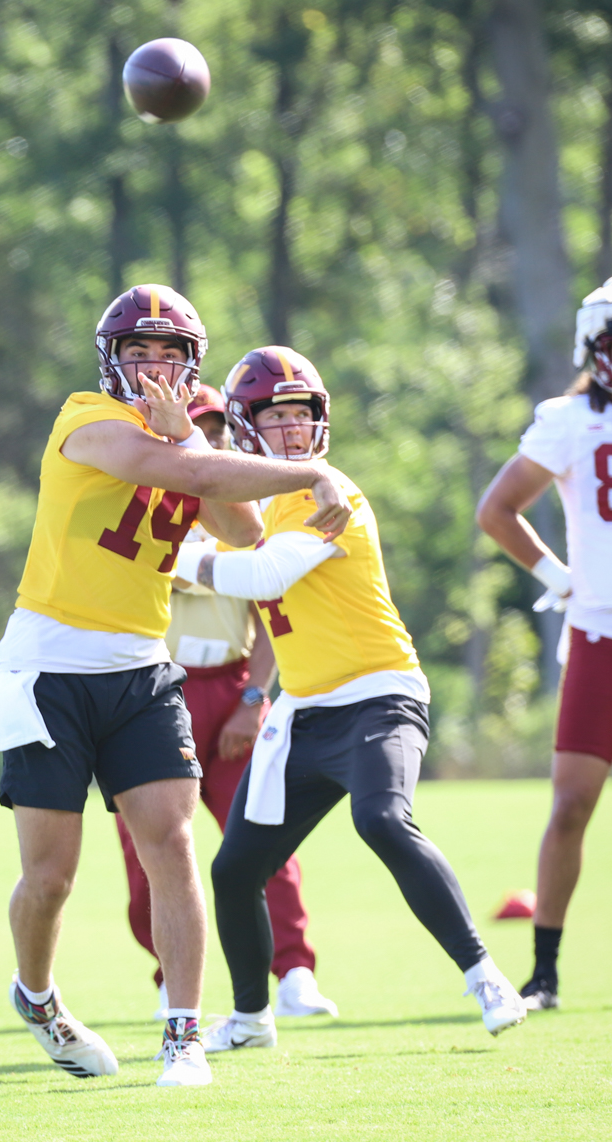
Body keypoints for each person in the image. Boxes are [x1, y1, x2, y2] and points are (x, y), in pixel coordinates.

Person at [0, 284, 352, 1088]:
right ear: (111, 361)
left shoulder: (184, 444)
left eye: (170, 355)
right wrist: (306, 468)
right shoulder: (86, 419)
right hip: (48, 666)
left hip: (142, 670)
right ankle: (37, 996)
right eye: (139, 352)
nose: (154, 368)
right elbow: (163, 466)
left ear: (191, 365)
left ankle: (183, 1032)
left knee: (173, 845)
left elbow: (245, 531)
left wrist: (196, 446)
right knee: (50, 876)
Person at [178, 346, 526, 1054]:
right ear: (247, 428)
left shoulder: (332, 492)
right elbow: (207, 480)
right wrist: (179, 440)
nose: (294, 431)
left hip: (378, 696)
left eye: (302, 415)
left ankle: (485, 973)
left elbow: (266, 570)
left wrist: (175, 558)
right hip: (305, 712)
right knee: (234, 868)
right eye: (276, 418)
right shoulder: (266, 503)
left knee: (382, 818)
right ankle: (250, 1016)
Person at [116, 384, 337, 1021]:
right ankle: (169, 979)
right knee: (146, 851)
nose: (207, 442)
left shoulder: (249, 514)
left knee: (265, 837)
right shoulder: (141, 502)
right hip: (156, 691)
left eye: (214, 431)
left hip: (234, 689)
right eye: (192, 430)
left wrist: (253, 697)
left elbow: (274, 619)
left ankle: (293, 971)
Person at [477, 272, 612, 1010]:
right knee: (572, 804)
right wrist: (559, 578)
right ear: (599, 348)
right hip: (602, 631)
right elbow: (499, 509)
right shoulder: (569, 420)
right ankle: (545, 970)